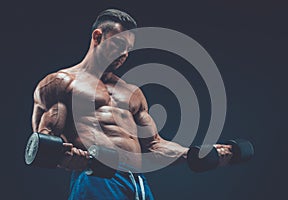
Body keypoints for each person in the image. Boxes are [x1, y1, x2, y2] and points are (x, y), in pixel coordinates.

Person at [31, 9, 232, 200]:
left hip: (137, 182)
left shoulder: (131, 93)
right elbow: (44, 143)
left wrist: (197, 154)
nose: (124, 54)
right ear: (97, 36)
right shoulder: (62, 83)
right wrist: (67, 157)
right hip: (97, 178)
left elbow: (154, 145)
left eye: (128, 49)